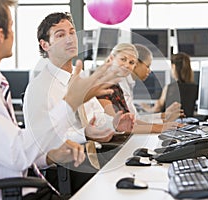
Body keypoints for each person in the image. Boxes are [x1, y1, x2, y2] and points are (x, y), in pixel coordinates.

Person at [0, 1, 124, 199]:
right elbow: (16, 154)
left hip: (30, 185)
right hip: (14, 194)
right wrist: (70, 103)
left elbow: (13, 147)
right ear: (1, 35)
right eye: (11, 26)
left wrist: (50, 157)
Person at [23, 12, 135, 193]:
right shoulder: (38, 89)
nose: (70, 39)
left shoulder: (80, 76)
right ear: (45, 45)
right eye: (60, 35)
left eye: (72, 32)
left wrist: (114, 124)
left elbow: (96, 116)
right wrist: (84, 133)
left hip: (92, 158)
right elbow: (42, 143)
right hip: (64, 173)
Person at [97, 43, 178, 134]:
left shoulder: (117, 88)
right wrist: (160, 127)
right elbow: (117, 126)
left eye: (131, 62)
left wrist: (163, 126)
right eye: (123, 59)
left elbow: (132, 121)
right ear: (111, 59)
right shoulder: (103, 87)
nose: (127, 65)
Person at [119, 43, 184, 123]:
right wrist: (165, 121)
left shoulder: (128, 83)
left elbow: (137, 118)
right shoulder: (121, 84)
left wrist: (164, 115)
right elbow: (134, 123)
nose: (149, 71)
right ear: (135, 63)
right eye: (148, 66)